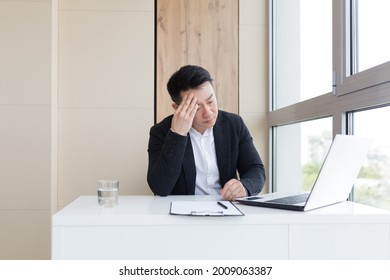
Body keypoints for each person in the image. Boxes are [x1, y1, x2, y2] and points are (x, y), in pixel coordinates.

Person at [147, 65, 265, 200]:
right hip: (183, 211)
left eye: (210, 101)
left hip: (227, 206)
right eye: (196, 108)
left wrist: (244, 186)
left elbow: (256, 169)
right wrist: (177, 135)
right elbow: (160, 187)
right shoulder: (160, 132)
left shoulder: (234, 124)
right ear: (177, 108)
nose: (208, 112)